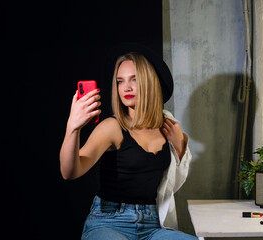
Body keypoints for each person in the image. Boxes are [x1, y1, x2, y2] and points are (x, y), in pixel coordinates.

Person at [60, 44, 197, 240]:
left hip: (152, 225)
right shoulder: (112, 127)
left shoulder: (169, 128)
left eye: (134, 79)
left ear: (150, 82)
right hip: (109, 222)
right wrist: (73, 128)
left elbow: (172, 185)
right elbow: (69, 171)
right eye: (120, 81)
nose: (127, 88)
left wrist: (179, 146)